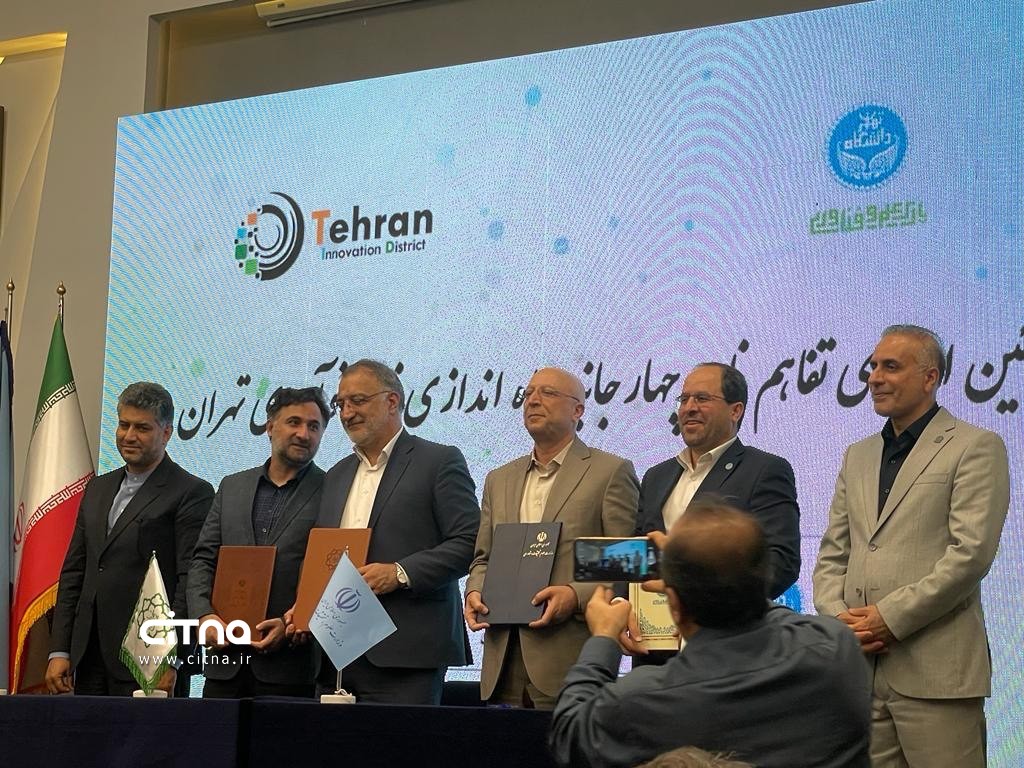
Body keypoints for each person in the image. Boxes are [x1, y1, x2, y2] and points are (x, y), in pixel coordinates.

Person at [813, 324, 1010, 767]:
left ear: (929, 377)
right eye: (872, 367)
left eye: (890, 367)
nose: (874, 378)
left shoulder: (975, 447)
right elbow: (833, 553)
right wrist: (839, 621)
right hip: (861, 672)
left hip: (936, 673)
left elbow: (971, 555)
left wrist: (889, 618)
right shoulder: (857, 454)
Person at [550, 501, 871, 768]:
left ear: (674, 606)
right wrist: (713, 572)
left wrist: (604, 637)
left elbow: (569, 735)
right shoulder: (836, 648)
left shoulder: (642, 699)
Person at [465, 366, 639, 709]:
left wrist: (574, 596)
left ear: (578, 410)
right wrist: (474, 590)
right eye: (528, 393)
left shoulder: (609, 472)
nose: (533, 400)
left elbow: (627, 560)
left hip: (569, 660)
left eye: (547, 393)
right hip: (502, 658)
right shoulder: (499, 479)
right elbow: (483, 557)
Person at [310, 359, 480, 704]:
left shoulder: (439, 461)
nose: (346, 413)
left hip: (408, 653)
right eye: (340, 404)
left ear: (392, 401)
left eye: (358, 401)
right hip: (337, 654)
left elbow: (471, 542)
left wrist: (400, 573)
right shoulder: (336, 475)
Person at [46, 382, 214, 696]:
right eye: (124, 425)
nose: (129, 435)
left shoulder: (191, 492)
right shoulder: (97, 488)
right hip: (88, 656)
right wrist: (60, 650)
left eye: (142, 428)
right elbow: (75, 572)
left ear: (166, 433)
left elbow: (189, 581)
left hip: (149, 659)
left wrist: (172, 658)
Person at [188, 386, 330, 697]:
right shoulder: (231, 486)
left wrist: (292, 622)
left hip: (292, 668)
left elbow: (332, 571)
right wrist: (204, 615)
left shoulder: (333, 490)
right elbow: (203, 559)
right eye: (294, 422)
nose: (304, 434)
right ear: (270, 427)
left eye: (314, 426)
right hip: (224, 664)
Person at [635, 363, 799, 599]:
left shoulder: (764, 470)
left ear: (736, 411)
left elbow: (781, 563)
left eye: (702, 398)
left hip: (724, 618)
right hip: (649, 618)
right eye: (684, 399)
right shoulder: (656, 477)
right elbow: (636, 553)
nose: (689, 408)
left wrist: (701, 589)